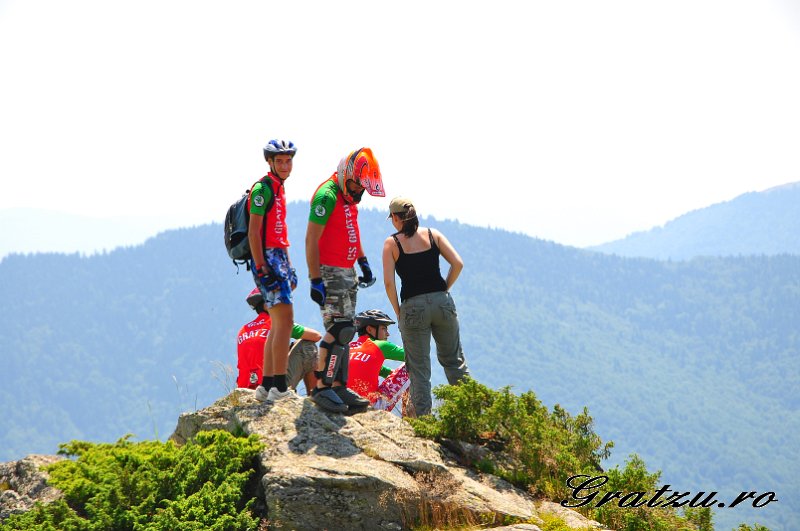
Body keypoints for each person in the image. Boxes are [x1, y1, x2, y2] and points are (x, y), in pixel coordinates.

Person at [305, 147, 385, 413]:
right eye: (356, 185)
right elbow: (311, 239)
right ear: (344, 175)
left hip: (347, 270)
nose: (359, 191)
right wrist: (315, 278)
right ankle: (321, 387)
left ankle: (339, 385)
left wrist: (363, 261)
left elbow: (352, 230)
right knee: (338, 329)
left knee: (348, 330)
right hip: (329, 270)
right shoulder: (327, 196)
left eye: (363, 187)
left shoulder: (349, 198)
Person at [382, 196, 470, 416]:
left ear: (395, 218)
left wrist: (398, 311)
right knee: (454, 361)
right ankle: (470, 413)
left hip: (413, 308)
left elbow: (389, 283)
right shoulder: (433, 234)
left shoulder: (392, 243)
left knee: (419, 370)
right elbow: (458, 263)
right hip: (442, 303)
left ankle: (424, 422)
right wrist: (443, 289)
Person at [249, 139, 300, 402]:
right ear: (270, 162)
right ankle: (279, 388)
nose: (284, 165)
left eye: (288, 160)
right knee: (286, 322)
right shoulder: (263, 188)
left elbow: (280, 232)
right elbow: (254, 232)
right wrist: (262, 268)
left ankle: (266, 385)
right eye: (279, 161)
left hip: (278, 259)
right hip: (269, 260)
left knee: (278, 323)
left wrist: (289, 268)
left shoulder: (278, 188)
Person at [238, 288, 323, 395]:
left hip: (247, 388)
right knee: (308, 346)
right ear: (266, 305)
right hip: (271, 385)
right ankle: (315, 397)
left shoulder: (243, 330)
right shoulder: (278, 322)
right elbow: (316, 336)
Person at [347, 309, 406, 406]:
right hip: (370, 405)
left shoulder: (349, 346)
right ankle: (415, 409)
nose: (387, 334)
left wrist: (392, 374)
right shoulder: (380, 345)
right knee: (411, 366)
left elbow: (370, 368)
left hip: (344, 402)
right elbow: (415, 355)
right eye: (384, 329)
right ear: (369, 329)